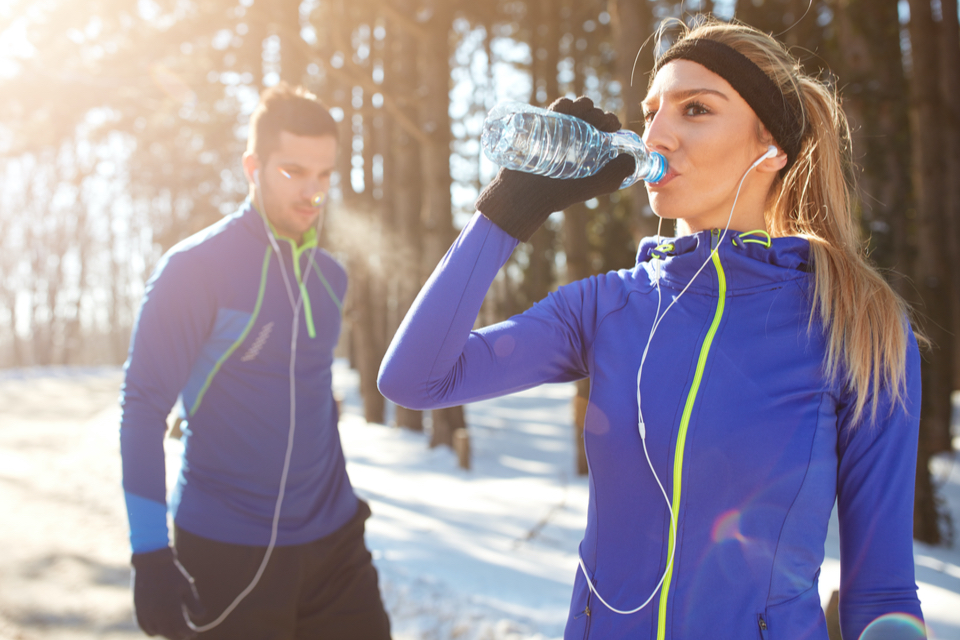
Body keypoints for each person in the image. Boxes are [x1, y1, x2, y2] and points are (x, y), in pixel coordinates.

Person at [378, 17, 924, 640]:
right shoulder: (608, 305)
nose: (658, 133)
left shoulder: (854, 321)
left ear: (770, 146)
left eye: (695, 109)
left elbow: (881, 590)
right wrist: (509, 208)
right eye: (652, 110)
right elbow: (414, 379)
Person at [120, 82, 392, 640]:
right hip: (228, 550)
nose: (311, 192)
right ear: (253, 166)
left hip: (334, 544)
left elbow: (305, 394)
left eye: (323, 175)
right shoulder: (195, 271)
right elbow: (143, 410)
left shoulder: (329, 279)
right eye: (293, 171)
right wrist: (149, 554)